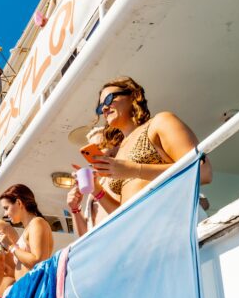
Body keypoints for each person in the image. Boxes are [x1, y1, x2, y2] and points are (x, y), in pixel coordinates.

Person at [90, 76, 212, 207]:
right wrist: (96, 190)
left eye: (109, 99)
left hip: (171, 220)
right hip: (135, 226)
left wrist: (135, 170)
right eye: (101, 106)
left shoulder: (160, 122)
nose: (104, 109)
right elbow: (121, 212)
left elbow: (203, 171)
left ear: (133, 96)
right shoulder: (120, 151)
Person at [0, 184, 54, 283]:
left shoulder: (37, 223)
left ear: (19, 203)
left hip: (34, 290)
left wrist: (11, 246)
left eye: (6, 208)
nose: (5, 214)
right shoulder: (29, 227)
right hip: (26, 290)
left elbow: (38, 261)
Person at [67, 127, 118, 236]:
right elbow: (84, 235)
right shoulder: (99, 184)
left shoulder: (125, 177)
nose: (95, 155)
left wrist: (96, 191)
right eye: (91, 150)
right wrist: (75, 208)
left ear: (116, 146)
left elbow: (126, 215)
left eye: (101, 147)